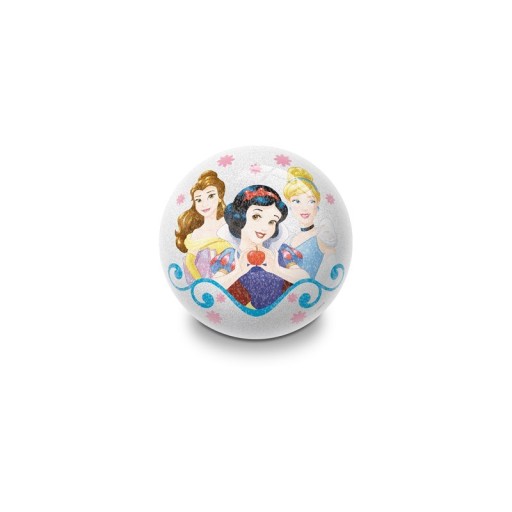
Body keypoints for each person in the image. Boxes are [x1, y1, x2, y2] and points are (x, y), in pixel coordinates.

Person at [211, 185, 307, 310]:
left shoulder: (280, 252)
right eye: (256, 216)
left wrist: (277, 270)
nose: (264, 227)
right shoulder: (231, 256)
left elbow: (305, 280)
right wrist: (238, 272)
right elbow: (212, 288)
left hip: (283, 312)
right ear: (240, 217)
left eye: (272, 221)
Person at [175, 171, 232, 283]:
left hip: (234, 279)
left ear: (220, 197)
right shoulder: (197, 233)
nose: (204, 204)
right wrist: (203, 283)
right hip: (210, 283)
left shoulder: (228, 224)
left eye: (210, 196)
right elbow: (189, 261)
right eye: (199, 200)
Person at [283, 167, 337, 279]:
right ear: (290, 205)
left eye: (311, 201)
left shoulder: (322, 235)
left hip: (311, 288)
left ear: (317, 204)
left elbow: (334, 268)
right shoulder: (291, 239)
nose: (304, 208)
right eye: (297, 201)